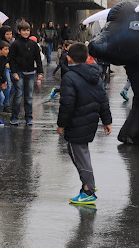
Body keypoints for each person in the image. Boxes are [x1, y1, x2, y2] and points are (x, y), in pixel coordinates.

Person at [57, 42, 112, 204]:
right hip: (90, 122)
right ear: (88, 57)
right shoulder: (95, 73)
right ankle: (88, 184)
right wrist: (107, 121)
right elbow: (103, 98)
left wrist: (61, 124)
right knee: (77, 152)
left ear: (68, 58)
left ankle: (88, 190)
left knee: (80, 155)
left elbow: (67, 104)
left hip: (76, 123)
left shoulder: (69, 77)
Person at [8, 21, 44, 125]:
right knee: (18, 95)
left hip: (31, 72)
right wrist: (14, 72)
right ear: (19, 31)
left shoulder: (33, 44)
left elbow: (38, 58)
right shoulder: (15, 44)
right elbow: (11, 59)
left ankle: (28, 117)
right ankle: (14, 117)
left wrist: (40, 72)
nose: (26, 32)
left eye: (28, 30)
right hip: (19, 73)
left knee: (29, 96)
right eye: (24, 30)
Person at [0, 26, 14, 113]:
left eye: (10, 34)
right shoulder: (0, 44)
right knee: (8, 85)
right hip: (4, 67)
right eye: (7, 34)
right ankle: (6, 104)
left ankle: (6, 99)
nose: (9, 36)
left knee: (17, 84)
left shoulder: (11, 43)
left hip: (11, 66)